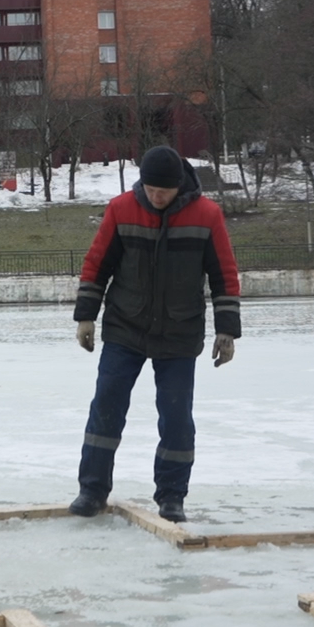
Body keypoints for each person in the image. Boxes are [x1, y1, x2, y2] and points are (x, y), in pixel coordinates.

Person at [70, 144, 241, 522]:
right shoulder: (121, 209)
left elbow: (224, 275)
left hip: (180, 332)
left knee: (177, 418)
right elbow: (97, 264)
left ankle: (172, 497)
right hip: (124, 327)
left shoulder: (207, 215)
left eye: (163, 191)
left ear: (179, 186)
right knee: (106, 408)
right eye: (149, 189)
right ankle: (92, 490)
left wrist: (227, 331)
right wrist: (86, 316)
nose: (156, 196)